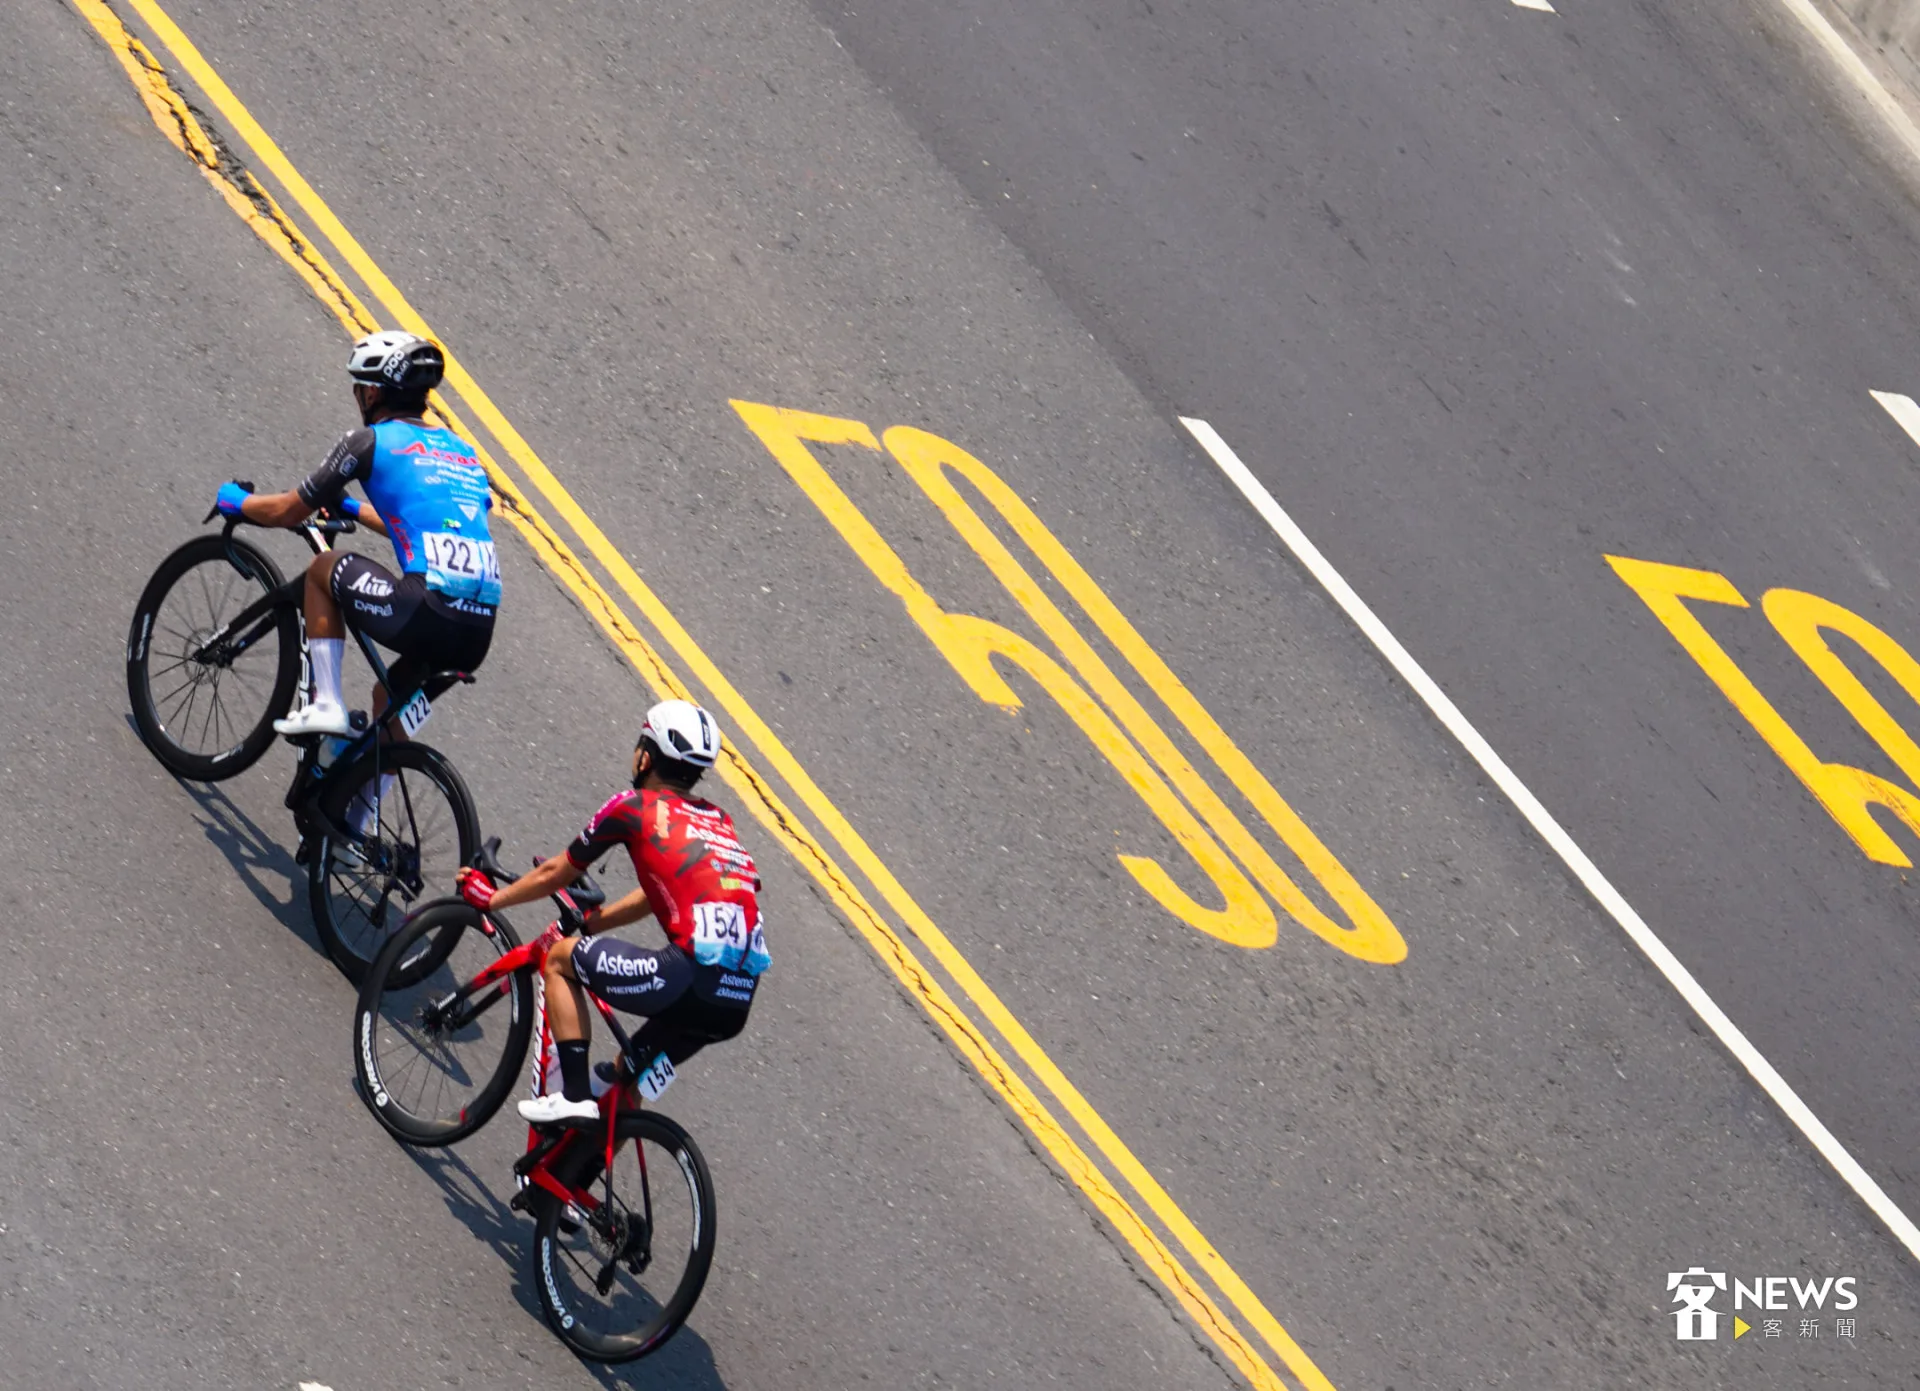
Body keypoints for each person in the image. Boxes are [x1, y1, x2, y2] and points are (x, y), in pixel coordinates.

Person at [456, 700, 769, 1124]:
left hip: (687, 979)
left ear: (647, 755)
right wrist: (595, 923)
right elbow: (652, 894)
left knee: (562, 958)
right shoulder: (718, 820)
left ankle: (574, 1096)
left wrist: (490, 899)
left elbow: (554, 872)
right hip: (736, 1000)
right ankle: (559, 1188)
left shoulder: (634, 807)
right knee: (628, 1084)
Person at [211, 329, 499, 739]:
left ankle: (326, 702)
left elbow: (289, 509)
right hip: (477, 632)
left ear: (375, 393)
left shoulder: (368, 442)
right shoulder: (464, 454)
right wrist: (352, 509)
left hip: (426, 610)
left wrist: (237, 503)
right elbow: (417, 524)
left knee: (322, 569)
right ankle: (362, 803)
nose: (358, 394)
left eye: (361, 386)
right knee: (388, 705)